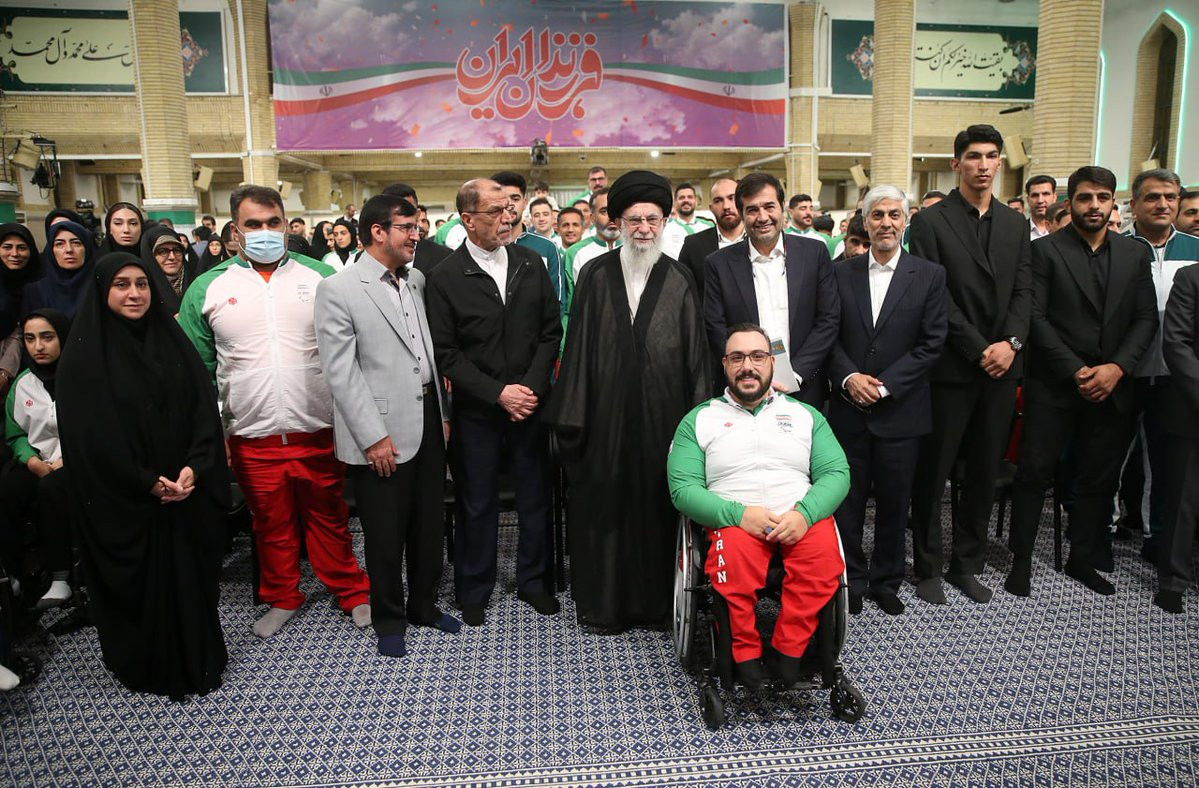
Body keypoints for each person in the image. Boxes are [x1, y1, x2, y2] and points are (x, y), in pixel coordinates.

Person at [179, 185, 370, 639]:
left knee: (330, 516)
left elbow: (353, 350)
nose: (264, 231)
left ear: (285, 224)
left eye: (273, 223)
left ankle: (351, 589)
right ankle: (283, 594)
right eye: (253, 224)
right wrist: (214, 433)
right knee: (270, 523)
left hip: (319, 425)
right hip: (250, 431)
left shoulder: (321, 276)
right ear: (235, 231)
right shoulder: (208, 287)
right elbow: (196, 372)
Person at [57, 252, 228, 699]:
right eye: (121, 285)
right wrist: (145, 480)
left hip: (184, 490)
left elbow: (202, 411)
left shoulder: (172, 343)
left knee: (189, 577)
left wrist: (195, 466)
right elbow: (91, 438)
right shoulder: (84, 358)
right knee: (141, 587)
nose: (134, 294)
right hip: (127, 500)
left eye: (141, 284)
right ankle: (145, 662)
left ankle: (196, 655)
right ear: (102, 291)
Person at [547, 169, 709, 632]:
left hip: (665, 419)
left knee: (659, 508)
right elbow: (578, 351)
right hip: (607, 421)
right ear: (616, 223)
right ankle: (607, 608)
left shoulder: (679, 277)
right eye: (635, 219)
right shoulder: (595, 274)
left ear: (664, 223)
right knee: (607, 509)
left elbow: (697, 358)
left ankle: (659, 607)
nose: (643, 228)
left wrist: (698, 427)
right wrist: (573, 420)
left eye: (652, 220)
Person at [316, 194, 460, 656]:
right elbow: (341, 372)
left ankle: (423, 606)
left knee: (428, 523)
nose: (417, 235)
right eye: (407, 227)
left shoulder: (415, 279)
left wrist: (443, 415)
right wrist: (372, 436)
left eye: (417, 227)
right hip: (378, 429)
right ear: (378, 231)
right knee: (384, 532)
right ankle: (389, 618)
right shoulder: (339, 289)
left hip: (427, 416)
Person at [667, 323, 849, 687]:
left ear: (771, 362)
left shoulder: (805, 415)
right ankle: (744, 651)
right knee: (732, 563)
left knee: (823, 557)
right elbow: (683, 488)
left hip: (799, 515)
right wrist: (739, 515)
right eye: (737, 357)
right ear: (724, 364)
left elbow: (837, 473)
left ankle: (790, 649)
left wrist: (805, 515)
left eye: (757, 356)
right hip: (734, 521)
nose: (747, 366)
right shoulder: (698, 420)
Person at [1005, 166, 1157, 596]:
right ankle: (1020, 560)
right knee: (1034, 473)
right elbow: (1035, 318)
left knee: (1098, 478)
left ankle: (1082, 558)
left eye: (1103, 198)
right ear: (1069, 202)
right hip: (1055, 383)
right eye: (1086, 198)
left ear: (1113, 203)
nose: (1095, 206)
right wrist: (1075, 369)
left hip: (1113, 385)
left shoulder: (1133, 253)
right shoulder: (1045, 250)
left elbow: (1146, 318)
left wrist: (1117, 368)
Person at [426, 178, 562, 627]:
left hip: (530, 405)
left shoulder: (530, 263)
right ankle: (474, 589)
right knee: (477, 502)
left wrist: (530, 389)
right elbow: (446, 353)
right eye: (495, 212)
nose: (508, 218)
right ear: (468, 219)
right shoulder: (446, 276)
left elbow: (550, 333)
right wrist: (498, 393)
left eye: (509, 209)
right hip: (478, 411)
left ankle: (535, 582)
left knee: (535, 498)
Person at [906, 124, 1032, 605]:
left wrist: (1011, 344)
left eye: (991, 156)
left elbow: (1025, 290)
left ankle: (967, 563)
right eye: (974, 156)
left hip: (1003, 366)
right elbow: (935, 297)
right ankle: (928, 567)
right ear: (956, 163)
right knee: (934, 472)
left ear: (1000, 162)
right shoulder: (931, 223)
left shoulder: (1015, 223)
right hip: (953, 366)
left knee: (983, 471)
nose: (983, 164)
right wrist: (980, 348)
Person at [827, 186, 948, 615]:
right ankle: (852, 579)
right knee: (847, 504)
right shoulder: (839, 273)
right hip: (848, 409)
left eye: (894, 214)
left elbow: (932, 343)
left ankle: (886, 581)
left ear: (906, 220)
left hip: (902, 409)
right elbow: (827, 335)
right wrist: (849, 378)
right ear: (864, 221)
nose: (886, 223)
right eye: (877, 215)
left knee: (896, 504)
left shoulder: (929, 275)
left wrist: (884, 385)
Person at [704, 172, 840, 408]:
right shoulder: (719, 263)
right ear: (742, 214)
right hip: (744, 388)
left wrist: (798, 373)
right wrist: (749, 374)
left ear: (782, 207)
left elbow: (828, 318)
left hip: (805, 385)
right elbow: (715, 326)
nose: (763, 217)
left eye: (769, 207)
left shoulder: (814, 253)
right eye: (752, 210)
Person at [1, 309, 74, 610]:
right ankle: (13, 576)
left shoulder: (83, 376)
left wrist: (68, 459)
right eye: (30, 339)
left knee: (50, 489)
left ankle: (61, 577)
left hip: (79, 461)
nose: (38, 346)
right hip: (38, 460)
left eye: (47, 337)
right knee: (8, 489)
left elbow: (100, 427)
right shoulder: (23, 383)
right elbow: (16, 434)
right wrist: (30, 460)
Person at [1156, 261, 1199, 613]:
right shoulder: (1190, 278)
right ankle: (1173, 582)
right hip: (1192, 406)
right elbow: (1176, 343)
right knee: (1184, 499)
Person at [491, 171, 566, 311]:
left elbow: (557, 300)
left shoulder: (547, 248)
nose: (509, 204)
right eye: (502, 199)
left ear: (525, 203)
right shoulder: (484, 247)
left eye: (515, 199)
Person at [677, 178, 743, 305]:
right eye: (718, 200)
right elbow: (682, 292)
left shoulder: (758, 241)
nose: (726, 206)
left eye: (732, 198)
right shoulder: (693, 245)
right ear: (711, 208)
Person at [23, 220, 97, 319]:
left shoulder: (101, 286)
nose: (69, 250)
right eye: (60, 244)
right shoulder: (35, 291)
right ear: (51, 250)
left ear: (87, 248)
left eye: (76, 243)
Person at [0, 224, 40, 397]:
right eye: (7, 247)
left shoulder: (40, 282)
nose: (15, 254)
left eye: (22, 248)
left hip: (31, 370)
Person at [378, 183, 453, 275]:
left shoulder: (443, 257)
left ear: (417, 214)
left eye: (408, 211)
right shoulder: (369, 258)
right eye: (395, 213)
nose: (402, 217)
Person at [141, 224, 197, 305]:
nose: (172, 257)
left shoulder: (196, 283)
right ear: (150, 256)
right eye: (162, 251)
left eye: (177, 250)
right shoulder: (142, 289)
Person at [660, 183, 714, 259]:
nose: (686, 200)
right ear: (675, 202)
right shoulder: (665, 228)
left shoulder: (709, 226)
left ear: (696, 200)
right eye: (682, 198)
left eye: (690, 197)